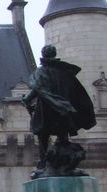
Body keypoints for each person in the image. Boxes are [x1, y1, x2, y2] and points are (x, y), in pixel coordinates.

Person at [22, 44, 96, 176]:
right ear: (54, 54)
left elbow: (37, 89)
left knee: (42, 135)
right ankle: (65, 164)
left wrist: (26, 100)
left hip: (46, 110)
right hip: (64, 110)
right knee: (63, 136)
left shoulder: (41, 72)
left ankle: (44, 163)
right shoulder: (65, 72)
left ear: (43, 55)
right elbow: (76, 93)